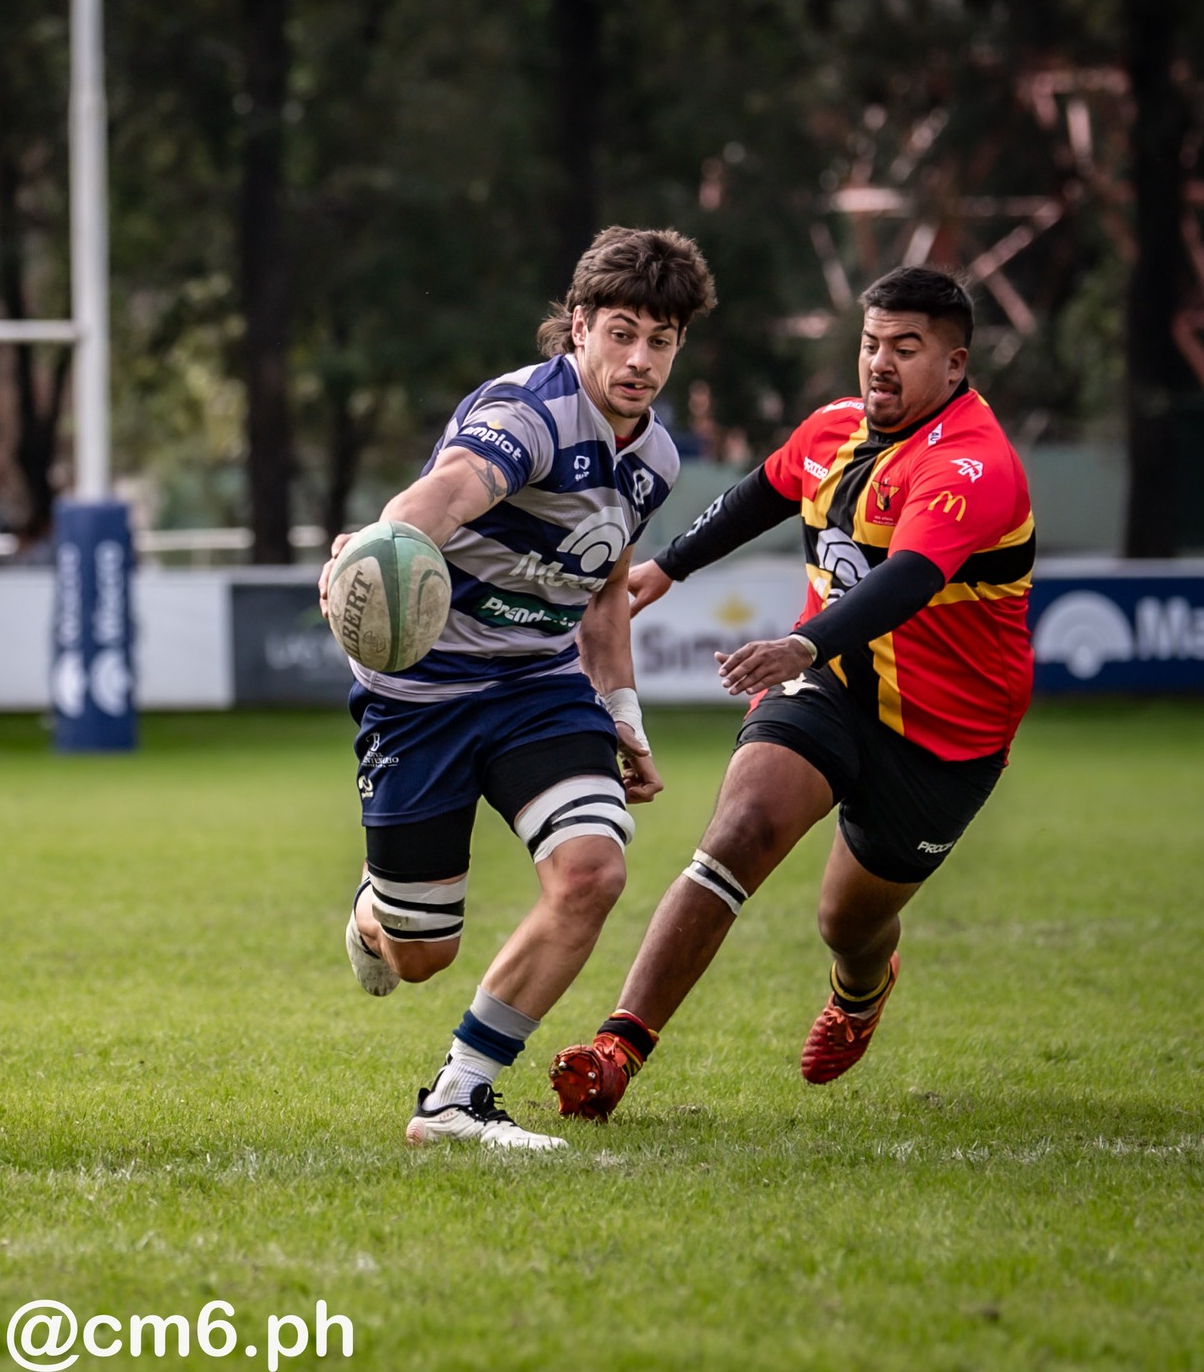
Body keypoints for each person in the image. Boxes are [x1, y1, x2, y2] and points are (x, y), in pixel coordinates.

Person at [552, 266, 1034, 1120]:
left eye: (906, 348)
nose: (879, 363)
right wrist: (667, 567)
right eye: (871, 343)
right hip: (829, 682)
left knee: (847, 922)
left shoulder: (973, 463)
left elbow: (909, 579)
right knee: (739, 830)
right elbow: (762, 493)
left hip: (944, 733)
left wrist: (801, 641)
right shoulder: (834, 429)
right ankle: (617, 1047)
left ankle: (861, 987)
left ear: (955, 363)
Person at [320, 227, 717, 1151]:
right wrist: (375, 546)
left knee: (592, 871)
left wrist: (623, 715)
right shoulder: (527, 416)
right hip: (420, 696)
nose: (640, 359)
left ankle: (457, 1096)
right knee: (423, 955)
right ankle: (378, 916)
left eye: (661, 341)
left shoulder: (655, 459)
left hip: (538, 684)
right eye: (621, 333)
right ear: (579, 327)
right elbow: (444, 493)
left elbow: (606, 593)